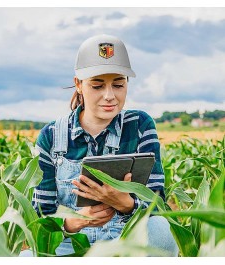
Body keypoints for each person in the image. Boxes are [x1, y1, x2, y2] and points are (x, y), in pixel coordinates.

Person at [30, 34, 178, 257]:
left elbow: (157, 204)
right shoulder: (51, 136)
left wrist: (126, 204)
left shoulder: (139, 126)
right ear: (79, 84)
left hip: (126, 243)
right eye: (97, 86)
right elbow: (40, 216)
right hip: (69, 245)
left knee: (163, 232)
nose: (109, 96)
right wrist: (73, 222)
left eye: (118, 84)